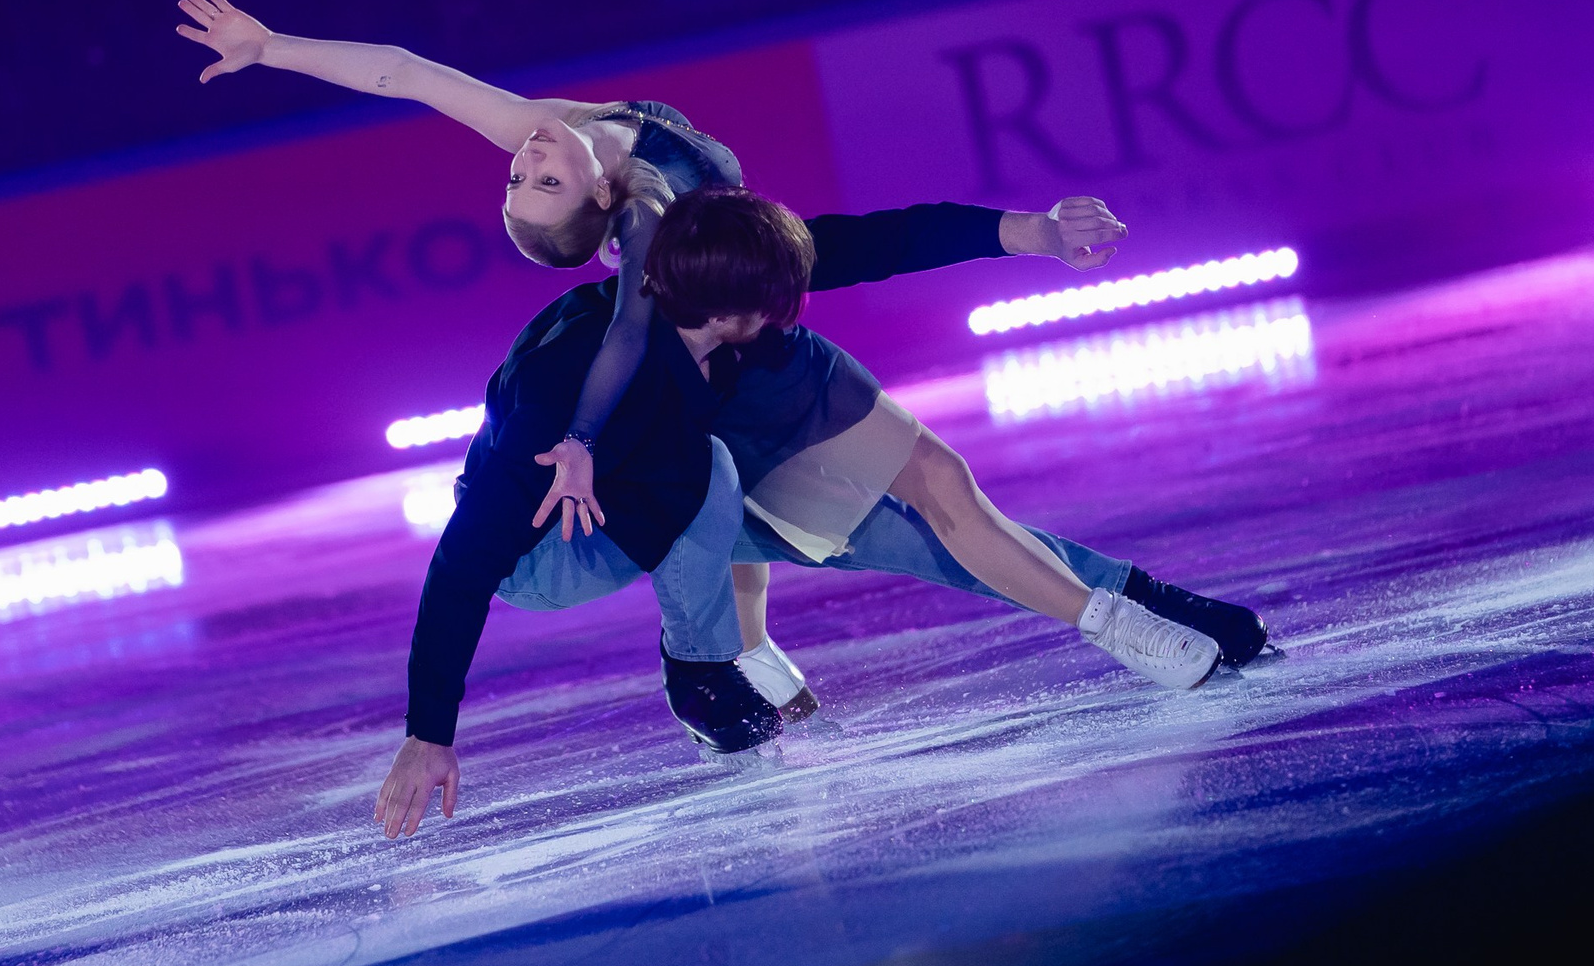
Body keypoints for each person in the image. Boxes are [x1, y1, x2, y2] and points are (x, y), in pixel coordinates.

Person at [174, 0, 1224, 750]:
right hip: (725, 384)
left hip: (754, 359)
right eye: (538, 175)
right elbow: (639, 331)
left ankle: (768, 648)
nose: (529, 149)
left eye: (522, 172)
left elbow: (402, 72)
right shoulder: (645, 235)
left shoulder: (562, 137)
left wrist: (269, 48)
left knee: (929, 499)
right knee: (883, 525)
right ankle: (1122, 621)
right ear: (601, 221)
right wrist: (580, 441)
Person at [378, 187, 1267, 839]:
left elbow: (875, 238)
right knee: (708, 470)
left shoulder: (703, 269)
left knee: (907, 526)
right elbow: (462, 562)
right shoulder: (559, 384)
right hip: (554, 541)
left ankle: (1142, 602)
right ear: (736, 316)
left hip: (676, 482)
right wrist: (429, 733)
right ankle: (704, 669)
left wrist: (1029, 232)